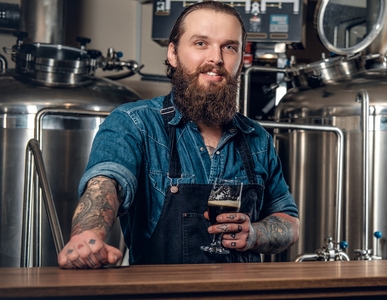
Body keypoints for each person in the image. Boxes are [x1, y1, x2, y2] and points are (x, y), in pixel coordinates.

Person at [57, 1, 299, 268]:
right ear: (173, 53)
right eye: (200, 43)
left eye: (229, 47)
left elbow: (287, 221)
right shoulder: (135, 123)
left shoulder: (258, 139)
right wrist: (88, 235)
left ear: (241, 59)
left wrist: (255, 234)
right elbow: (106, 183)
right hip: (161, 294)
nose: (216, 58)